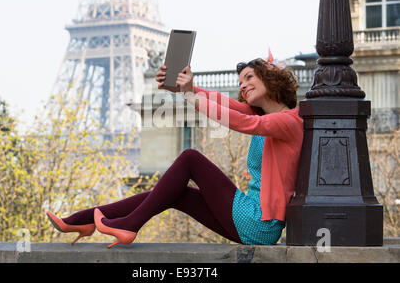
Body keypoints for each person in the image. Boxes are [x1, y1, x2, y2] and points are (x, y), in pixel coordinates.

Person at [46, 58, 303, 248]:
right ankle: (87, 218)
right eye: (240, 82)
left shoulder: (289, 121)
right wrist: (185, 89)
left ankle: (129, 225)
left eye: (249, 77)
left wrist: (190, 98)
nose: (243, 86)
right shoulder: (263, 115)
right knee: (173, 194)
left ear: (271, 79)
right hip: (253, 219)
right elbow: (225, 103)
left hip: (259, 221)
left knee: (191, 158)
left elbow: (244, 123)